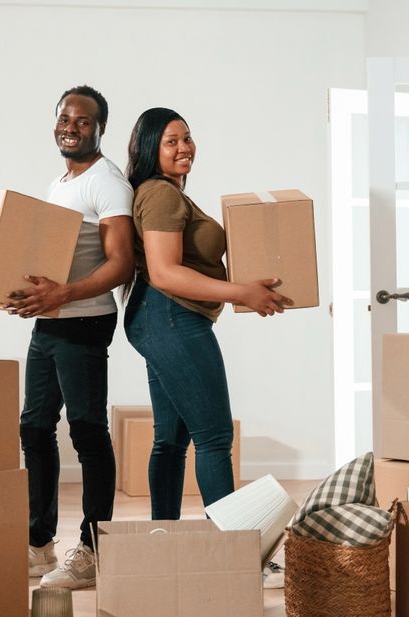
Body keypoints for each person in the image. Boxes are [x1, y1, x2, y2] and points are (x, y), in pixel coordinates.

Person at [123, 107, 290, 520]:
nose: (184, 148)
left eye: (187, 138)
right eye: (171, 142)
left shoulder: (164, 192)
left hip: (158, 318)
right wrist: (241, 293)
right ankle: (229, 547)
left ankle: (164, 537)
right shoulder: (161, 194)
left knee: (171, 441)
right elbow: (165, 273)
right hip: (171, 317)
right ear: (150, 149)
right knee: (214, 438)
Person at [6, 85, 134, 590]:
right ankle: (39, 545)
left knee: (86, 431)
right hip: (52, 321)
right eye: (64, 117)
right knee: (35, 428)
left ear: (100, 128)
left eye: (83, 120)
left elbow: (121, 264)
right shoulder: (60, 182)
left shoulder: (107, 183)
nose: (71, 126)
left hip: (84, 321)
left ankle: (93, 548)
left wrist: (64, 296)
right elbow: (44, 259)